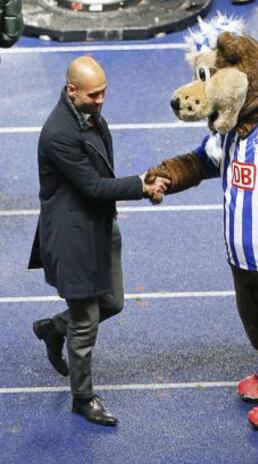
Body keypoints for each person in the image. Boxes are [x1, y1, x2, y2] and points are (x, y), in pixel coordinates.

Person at [29, 56, 170, 427]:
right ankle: (83, 397)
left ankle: (53, 328)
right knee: (86, 322)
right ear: (71, 91)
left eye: (105, 91)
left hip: (100, 227)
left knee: (113, 302)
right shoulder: (58, 132)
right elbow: (92, 186)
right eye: (95, 94)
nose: (102, 99)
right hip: (73, 238)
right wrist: (141, 185)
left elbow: (99, 176)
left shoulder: (88, 115)